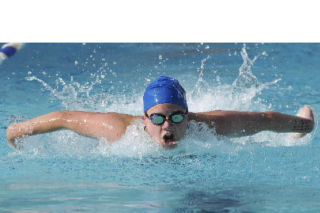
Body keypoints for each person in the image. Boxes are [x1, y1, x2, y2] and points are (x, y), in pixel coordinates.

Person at [6, 76, 315, 149]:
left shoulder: (209, 127)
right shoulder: (121, 132)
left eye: (177, 116)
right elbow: (64, 117)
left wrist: (304, 125)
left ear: (188, 116)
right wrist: (17, 130)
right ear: (145, 120)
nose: (168, 125)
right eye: (158, 118)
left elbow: (266, 120)